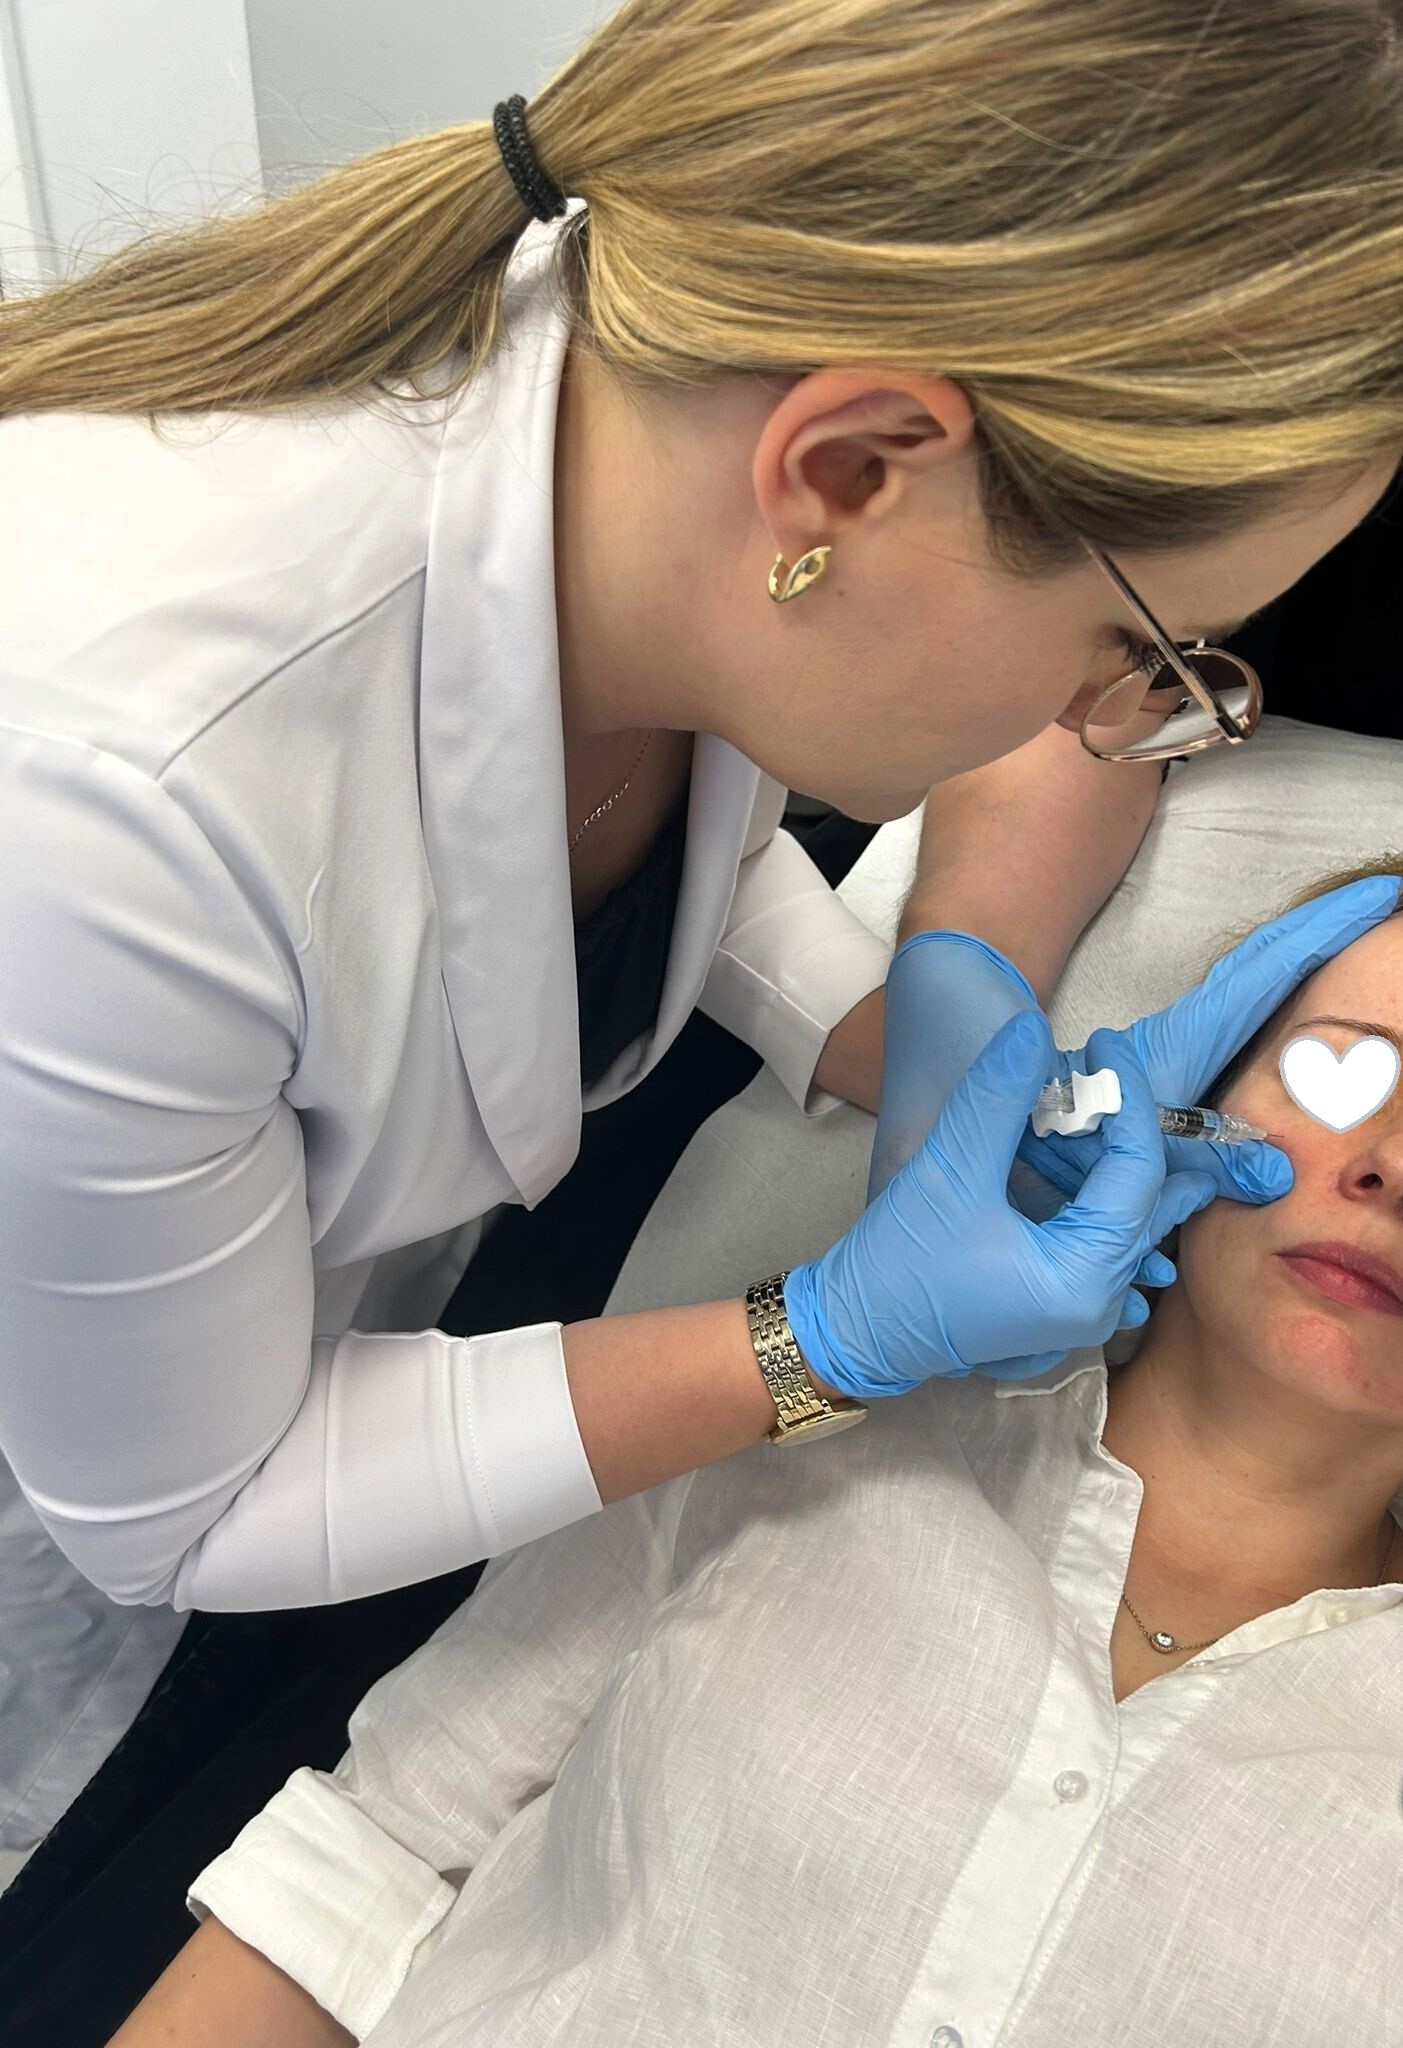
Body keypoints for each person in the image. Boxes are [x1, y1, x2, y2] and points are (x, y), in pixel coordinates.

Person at [3, 0, 1403, 2017]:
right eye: (1140, 650)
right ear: (848, 469)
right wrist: (816, 1340)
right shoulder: (99, 800)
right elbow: (199, 1505)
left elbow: (644, 826)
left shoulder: (665, 491)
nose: (1112, 726)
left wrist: (910, 1043)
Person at [109, 857, 1403, 2048]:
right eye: (1347, 1070)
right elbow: (380, 1857)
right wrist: (821, 1347)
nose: (1394, 1169)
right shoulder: (786, 1431)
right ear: (1186, 1110)